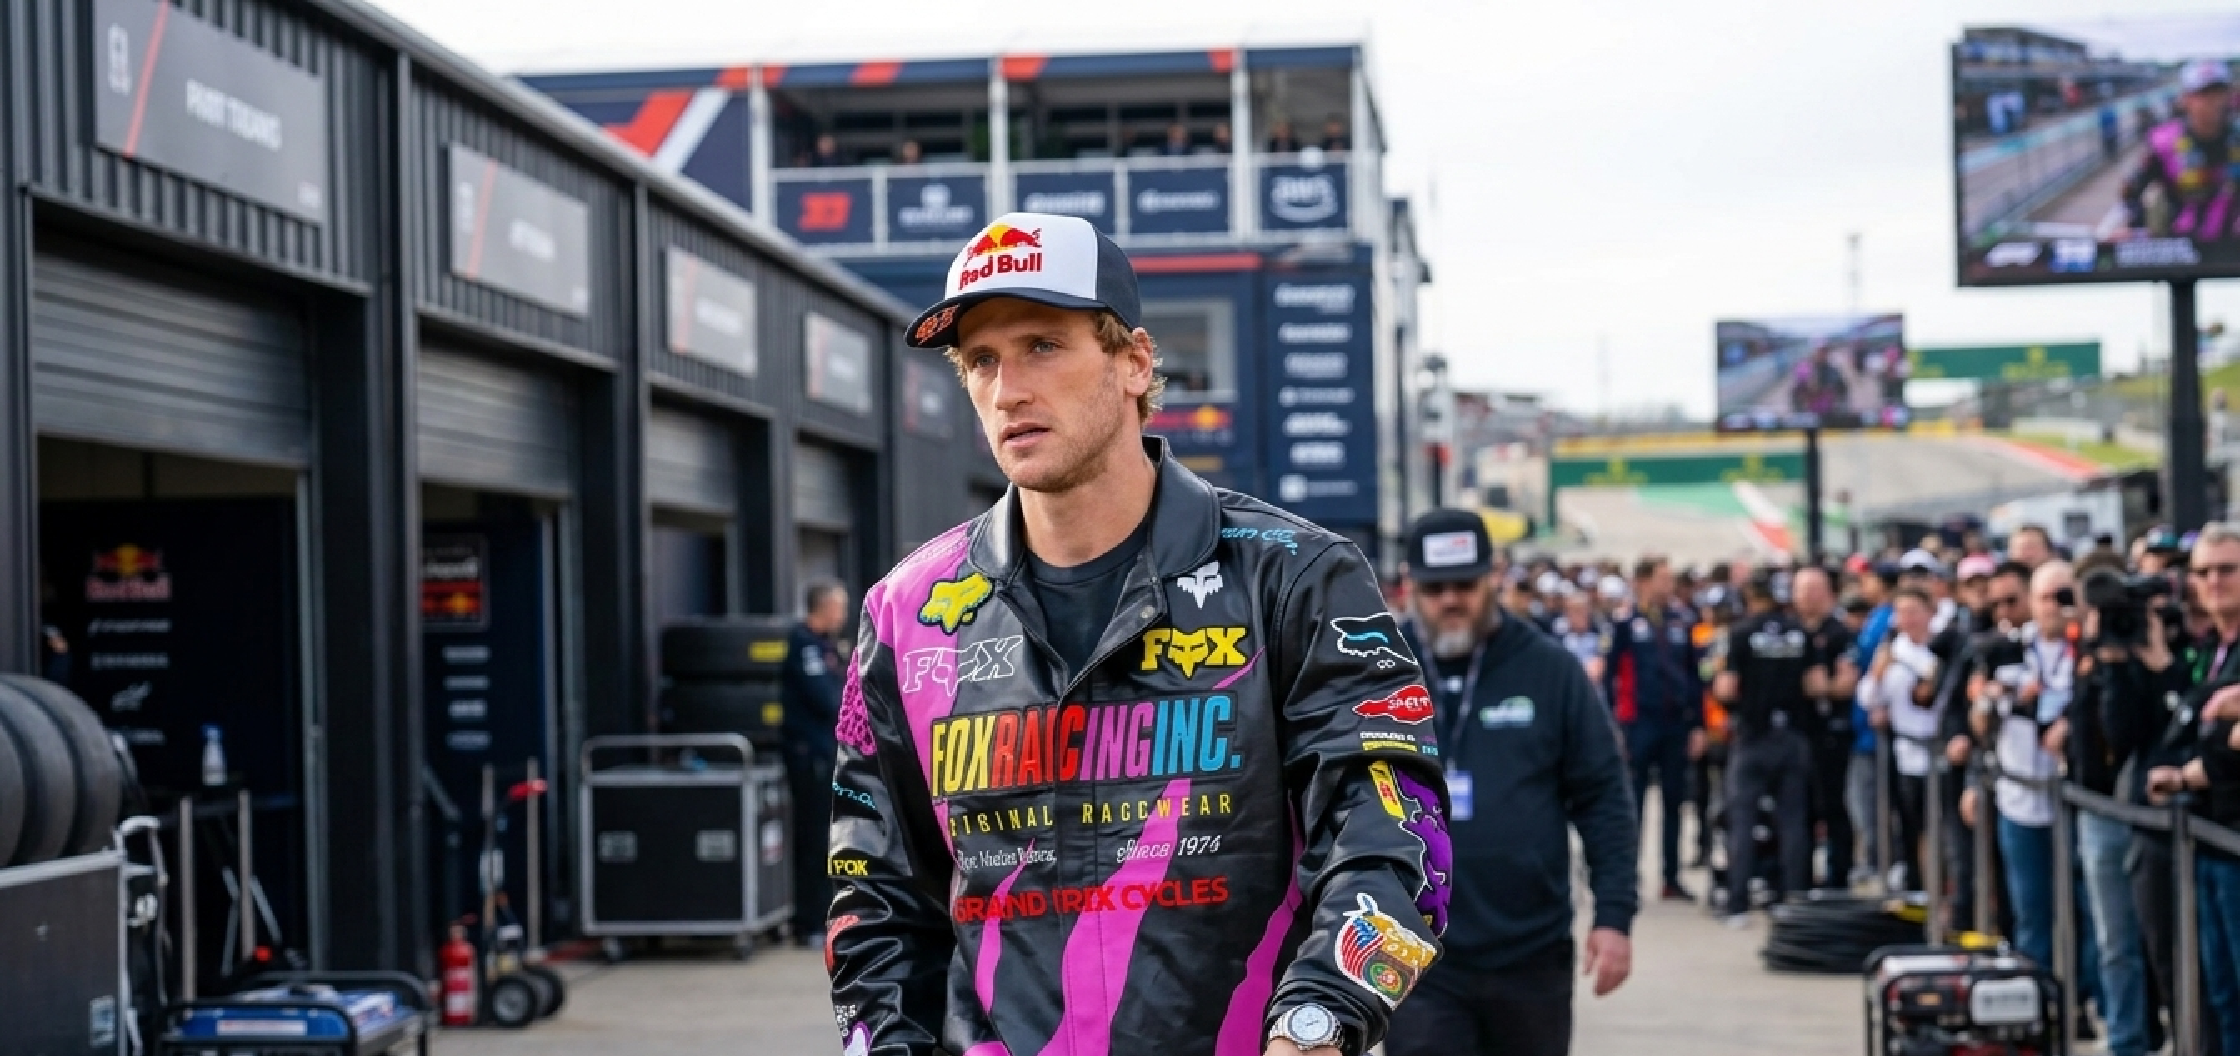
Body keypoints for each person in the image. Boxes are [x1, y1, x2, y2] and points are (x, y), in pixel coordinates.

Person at [828, 212, 1449, 1056]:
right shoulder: (907, 613)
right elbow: (876, 893)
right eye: (981, 360)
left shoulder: (1296, 577)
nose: (1008, 388)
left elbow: (1394, 832)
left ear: (1134, 362)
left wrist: (1320, 1023)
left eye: (1043, 345)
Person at [1385, 510, 1636, 1056]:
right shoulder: (1376, 670)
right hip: (1413, 954)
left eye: (1465, 585)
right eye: (1434, 587)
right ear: (1410, 586)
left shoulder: (1550, 671)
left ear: (1493, 579)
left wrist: (1614, 916)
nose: (1450, 599)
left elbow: (1603, 797)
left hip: (1531, 952)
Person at [1970, 560, 2103, 1024]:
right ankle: (2038, 1005)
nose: (2058, 608)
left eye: (2067, 595)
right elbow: (1977, 721)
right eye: (2049, 598)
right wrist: (1993, 699)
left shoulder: (2091, 650)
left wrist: (2069, 721)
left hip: (2075, 797)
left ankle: (2083, 1000)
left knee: (2087, 910)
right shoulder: (2007, 650)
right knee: (2033, 909)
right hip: (2020, 796)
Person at [1713, 577, 1814, 920]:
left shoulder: (1741, 633)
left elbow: (1726, 689)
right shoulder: (1799, 632)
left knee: (1741, 820)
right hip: (1792, 735)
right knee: (1793, 822)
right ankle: (1794, 899)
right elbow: (1815, 685)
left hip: (1752, 735)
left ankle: (1738, 903)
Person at [1605, 555, 1705, 900]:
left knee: (1674, 802)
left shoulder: (1681, 620)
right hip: (1638, 724)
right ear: (1643, 582)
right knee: (1633, 803)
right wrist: (1613, 725)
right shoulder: (1625, 623)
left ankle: (1671, 878)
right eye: (1662, 578)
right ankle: (1628, 878)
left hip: (1675, 724)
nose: (1668, 584)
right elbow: (1610, 676)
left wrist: (1698, 725)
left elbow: (1694, 677)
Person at [1859, 588, 1942, 890]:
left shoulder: (1941, 648)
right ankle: (1915, 885)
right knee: (1909, 825)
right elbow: (1868, 698)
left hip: (1937, 753)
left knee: (1940, 831)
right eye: (1901, 613)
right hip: (1904, 753)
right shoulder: (1892, 652)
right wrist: (1879, 674)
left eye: (1913, 611)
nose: (1907, 619)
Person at [785, 579, 850, 946]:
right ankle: (807, 922)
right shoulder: (805, 646)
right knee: (812, 841)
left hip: (829, 756)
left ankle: (824, 915)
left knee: (829, 841)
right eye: (838, 607)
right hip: (810, 760)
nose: (842, 615)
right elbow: (830, 700)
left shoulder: (828, 647)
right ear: (823, 608)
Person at [1791, 566, 1859, 891]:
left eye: (1812, 589)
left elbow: (1845, 684)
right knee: (1798, 809)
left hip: (1830, 732)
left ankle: (1838, 876)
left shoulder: (1839, 633)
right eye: (1800, 589)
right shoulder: (1789, 632)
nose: (1806, 596)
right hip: (1794, 733)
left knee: (1832, 805)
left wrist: (1821, 687)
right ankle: (1799, 877)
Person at [2122, 60, 2238, 240]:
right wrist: (2136, 229)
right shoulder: (2163, 142)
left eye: (2219, 92)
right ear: (2186, 99)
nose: (2213, 101)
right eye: (2203, 94)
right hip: (2181, 250)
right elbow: (2131, 190)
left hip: (2232, 250)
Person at [1549, 588, 1610, 683]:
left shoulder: (1600, 636)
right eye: (1574, 611)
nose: (1579, 616)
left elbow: (1600, 667)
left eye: (1582, 610)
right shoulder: (1559, 641)